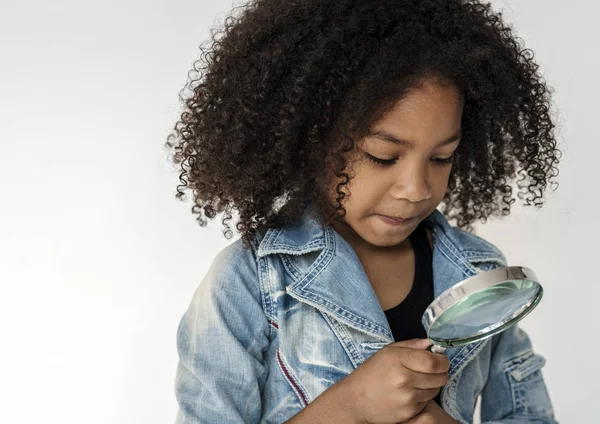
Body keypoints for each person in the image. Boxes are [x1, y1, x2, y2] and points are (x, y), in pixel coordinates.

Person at [166, 0, 560, 422]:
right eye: (383, 156)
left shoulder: (478, 273)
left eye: (442, 157)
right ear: (312, 140)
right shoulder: (250, 282)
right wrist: (350, 406)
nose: (415, 189)